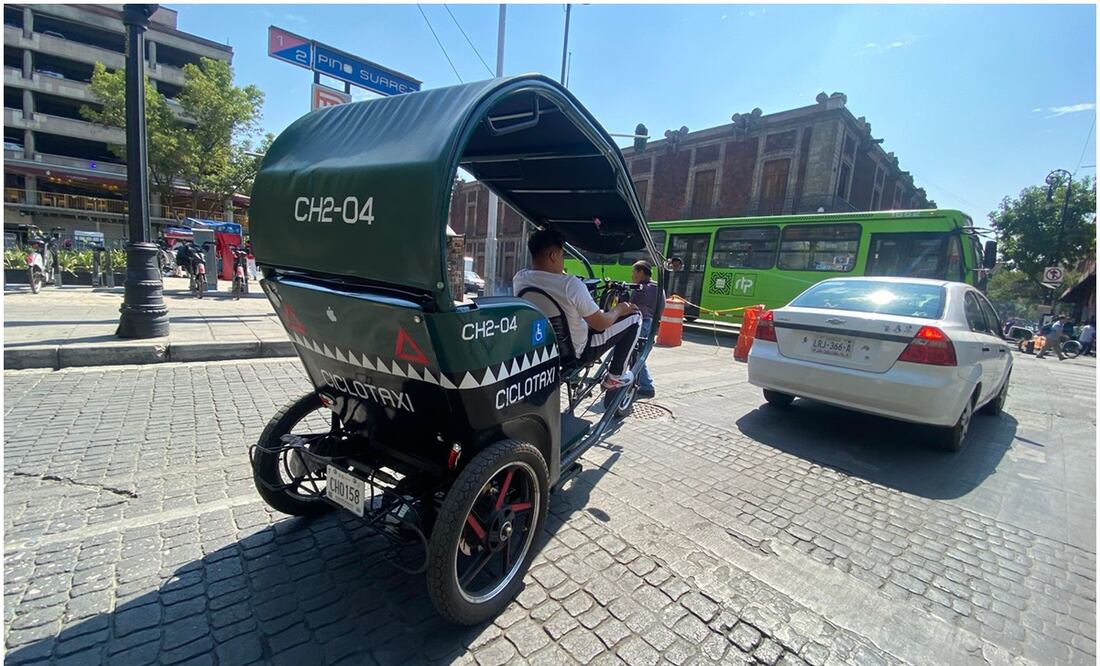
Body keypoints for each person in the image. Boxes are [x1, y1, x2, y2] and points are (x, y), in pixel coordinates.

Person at [514, 229, 642, 389]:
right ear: (553, 256)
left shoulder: (520, 278)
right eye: (562, 256)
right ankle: (615, 376)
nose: (563, 262)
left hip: (542, 348)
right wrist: (620, 309)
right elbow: (600, 324)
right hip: (576, 353)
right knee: (635, 316)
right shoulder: (570, 284)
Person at [629, 260, 660, 398]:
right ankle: (641, 383)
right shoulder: (658, 286)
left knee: (634, 355)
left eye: (634, 272)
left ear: (641, 272)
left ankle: (646, 386)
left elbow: (632, 305)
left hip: (641, 322)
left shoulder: (641, 288)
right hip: (651, 323)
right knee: (639, 354)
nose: (632, 276)